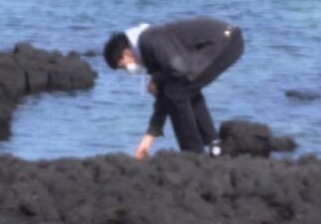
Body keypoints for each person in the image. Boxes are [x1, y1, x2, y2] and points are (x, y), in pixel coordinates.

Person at [103, 16, 244, 159]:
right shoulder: (147, 48)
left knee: (177, 92)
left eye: (124, 66)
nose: (128, 71)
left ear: (126, 53)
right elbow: (165, 90)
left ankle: (193, 153)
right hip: (225, 41)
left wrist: (157, 79)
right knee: (182, 88)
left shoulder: (149, 40)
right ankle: (215, 147)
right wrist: (150, 136)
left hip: (225, 42)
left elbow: (178, 69)